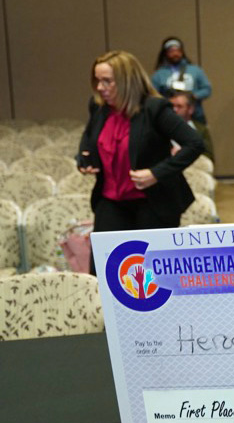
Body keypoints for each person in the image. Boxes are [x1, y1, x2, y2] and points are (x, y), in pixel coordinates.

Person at [78, 51, 203, 266]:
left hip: (152, 202)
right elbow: (89, 137)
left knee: (151, 277)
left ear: (127, 81)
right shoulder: (99, 107)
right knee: (104, 272)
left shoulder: (154, 108)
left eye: (107, 81)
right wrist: (84, 158)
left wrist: (156, 173)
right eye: (97, 80)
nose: (100, 87)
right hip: (111, 200)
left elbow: (194, 143)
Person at [151, 37, 213, 124]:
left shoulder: (195, 70)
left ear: (182, 52)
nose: (175, 54)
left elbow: (207, 89)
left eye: (178, 51)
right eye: (171, 51)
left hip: (195, 115)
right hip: (169, 115)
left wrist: (193, 96)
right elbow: (153, 95)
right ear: (166, 53)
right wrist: (167, 101)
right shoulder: (159, 75)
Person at [169, 91, 216, 163]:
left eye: (179, 106)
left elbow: (209, 157)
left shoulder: (201, 129)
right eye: (172, 106)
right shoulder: (160, 129)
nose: (174, 110)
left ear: (190, 109)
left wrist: (184, 154)